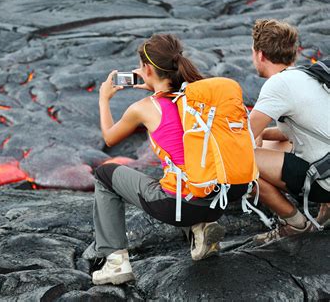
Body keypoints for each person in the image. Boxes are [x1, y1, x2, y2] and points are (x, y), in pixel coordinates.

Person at [92, 34, 250, 285]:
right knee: (188, 169)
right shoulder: (198, 98)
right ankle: (200, 229)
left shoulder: (144, 108)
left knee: (104, 174)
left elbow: (110, 138)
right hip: (218, 200)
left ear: (146, 69)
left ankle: (115, 262)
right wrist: (154, 84)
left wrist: (104, 99)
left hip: (178, 207)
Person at [249, 19, 330, 245]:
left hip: (325, 181)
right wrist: (263, 135)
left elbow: (241, 137)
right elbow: (297, 131)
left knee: (236, 162)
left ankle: (295, 224)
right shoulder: (306, 75)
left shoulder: (278, 85)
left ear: (260, 54)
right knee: (271, 145)